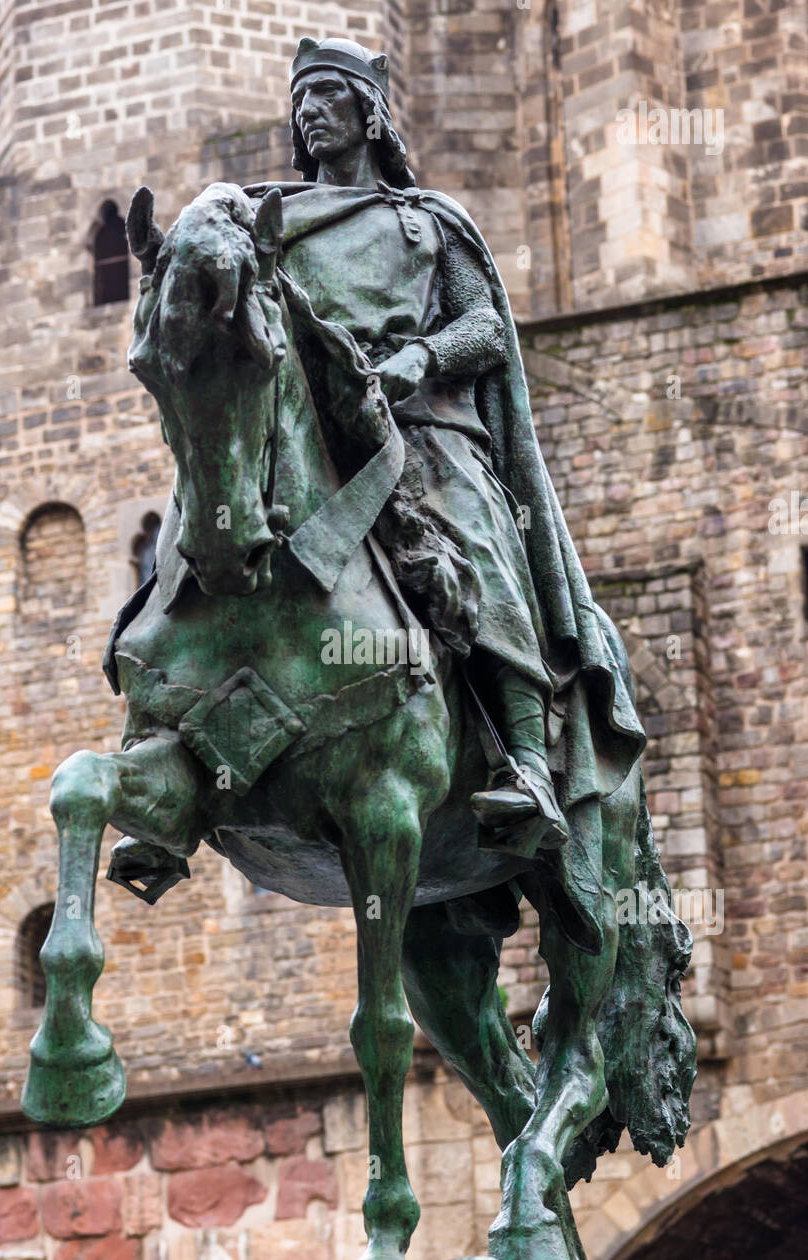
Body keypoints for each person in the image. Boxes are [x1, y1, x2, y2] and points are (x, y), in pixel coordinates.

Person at [245, 36, 645, 860]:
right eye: (300, 101)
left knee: (474, 539)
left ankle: (530, 762)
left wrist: (414, 360)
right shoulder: (273, 225)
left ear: (369, 113)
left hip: (425, 432)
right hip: (314, 444)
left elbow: (485, 325)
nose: (309, 113)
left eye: (326, 97)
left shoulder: (425, 222)